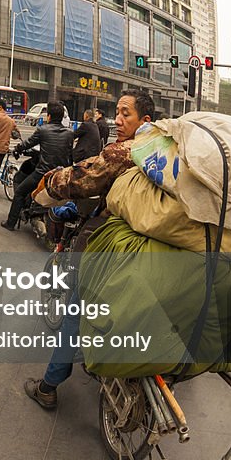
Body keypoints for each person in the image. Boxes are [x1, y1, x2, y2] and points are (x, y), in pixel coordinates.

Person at [23, 89, 155, 409]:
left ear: (145, 120)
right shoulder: (164, 153)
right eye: (117, 113)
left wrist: (48, 186)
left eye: (126, 113)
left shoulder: (126, 151)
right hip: (152, 251)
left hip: (111, 246)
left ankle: (49, 385)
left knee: (74, 312)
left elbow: (83, 177)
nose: (118, 119)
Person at [1, 101, 73, 231]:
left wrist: (17, 148)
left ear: (48, 116)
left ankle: (10, 223)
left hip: (43, 172)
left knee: (19, 192)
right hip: (61, 174)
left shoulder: (43, 130)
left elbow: (27, 143)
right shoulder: (69, 133)